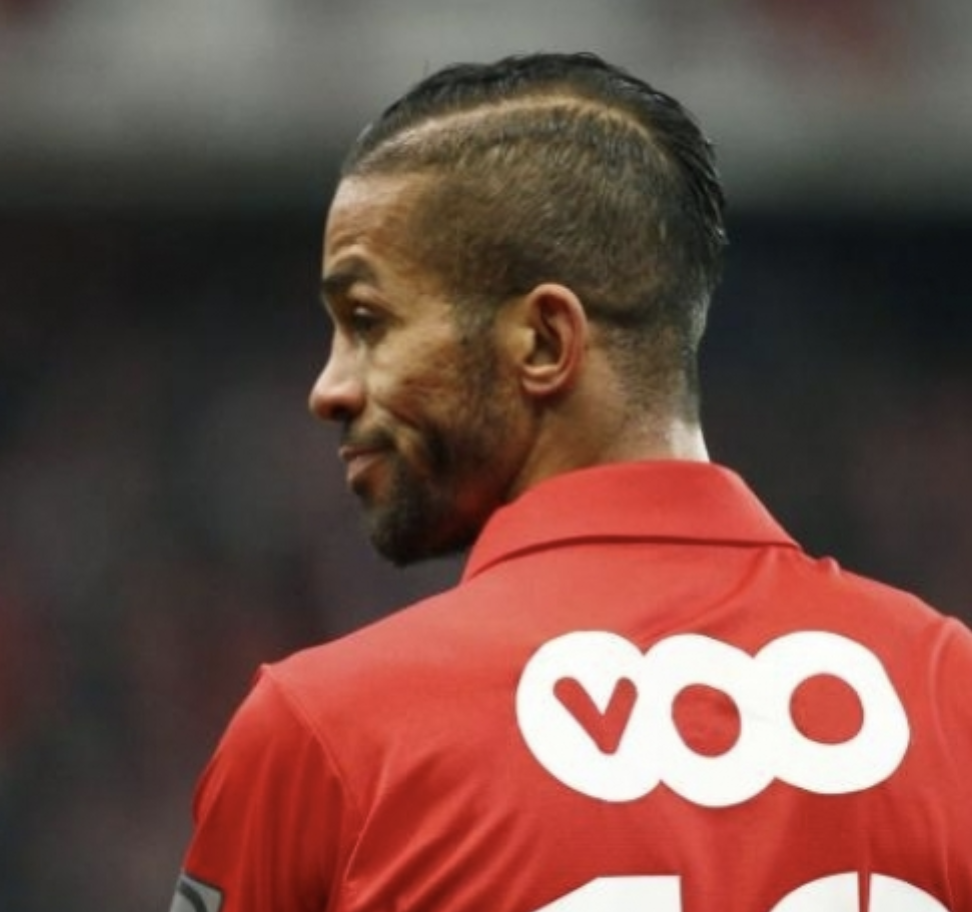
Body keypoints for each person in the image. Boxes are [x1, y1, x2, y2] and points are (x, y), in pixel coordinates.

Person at [169, 52, 972, 912]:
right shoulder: (950, 695)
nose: (329, 389)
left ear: (546, 343)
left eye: (369, 322)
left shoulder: (329, 737)